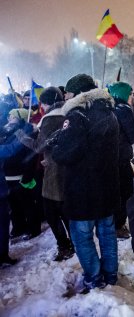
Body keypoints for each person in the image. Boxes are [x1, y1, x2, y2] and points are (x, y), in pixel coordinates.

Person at [50, 74, 120, 290]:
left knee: (82, 237)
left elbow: (65, 154)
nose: (66, 96)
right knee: (108, 234)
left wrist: (57, 144)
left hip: (83, 191)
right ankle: (110, 275)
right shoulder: (110, 113)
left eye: (68, 93)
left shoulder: (77, 115)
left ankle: (94, 276)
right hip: (107, 188)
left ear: (78, 94)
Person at [16, 86, 74, 261]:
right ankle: (76, 243)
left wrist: (21, 136)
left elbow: (40, 146)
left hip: (55, 171)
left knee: (51, 211)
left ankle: (65, 246)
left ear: (45, 103)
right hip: (69, 167)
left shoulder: (50, 119)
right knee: (65, 209)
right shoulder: (68, 113)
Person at [3, 108, 41, 241]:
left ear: (21, 118)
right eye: (9, 116)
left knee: (27, 204)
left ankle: (33, 228)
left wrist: (28, 174)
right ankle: (19, 227)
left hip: (21, 175)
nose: (9, 119)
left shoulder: (26, 132)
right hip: (8, 176)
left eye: (12, 116)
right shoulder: (7, 131)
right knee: (14, 206)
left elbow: (31, 155)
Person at [109, 82, 134, 239]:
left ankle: (113, 223)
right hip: (120, 158)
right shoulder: (123, 110)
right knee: (126, 192)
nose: (132, 98)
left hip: (107, 159)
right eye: (130, 94)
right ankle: (118, 225)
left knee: (115, 191)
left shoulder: (107, 108)